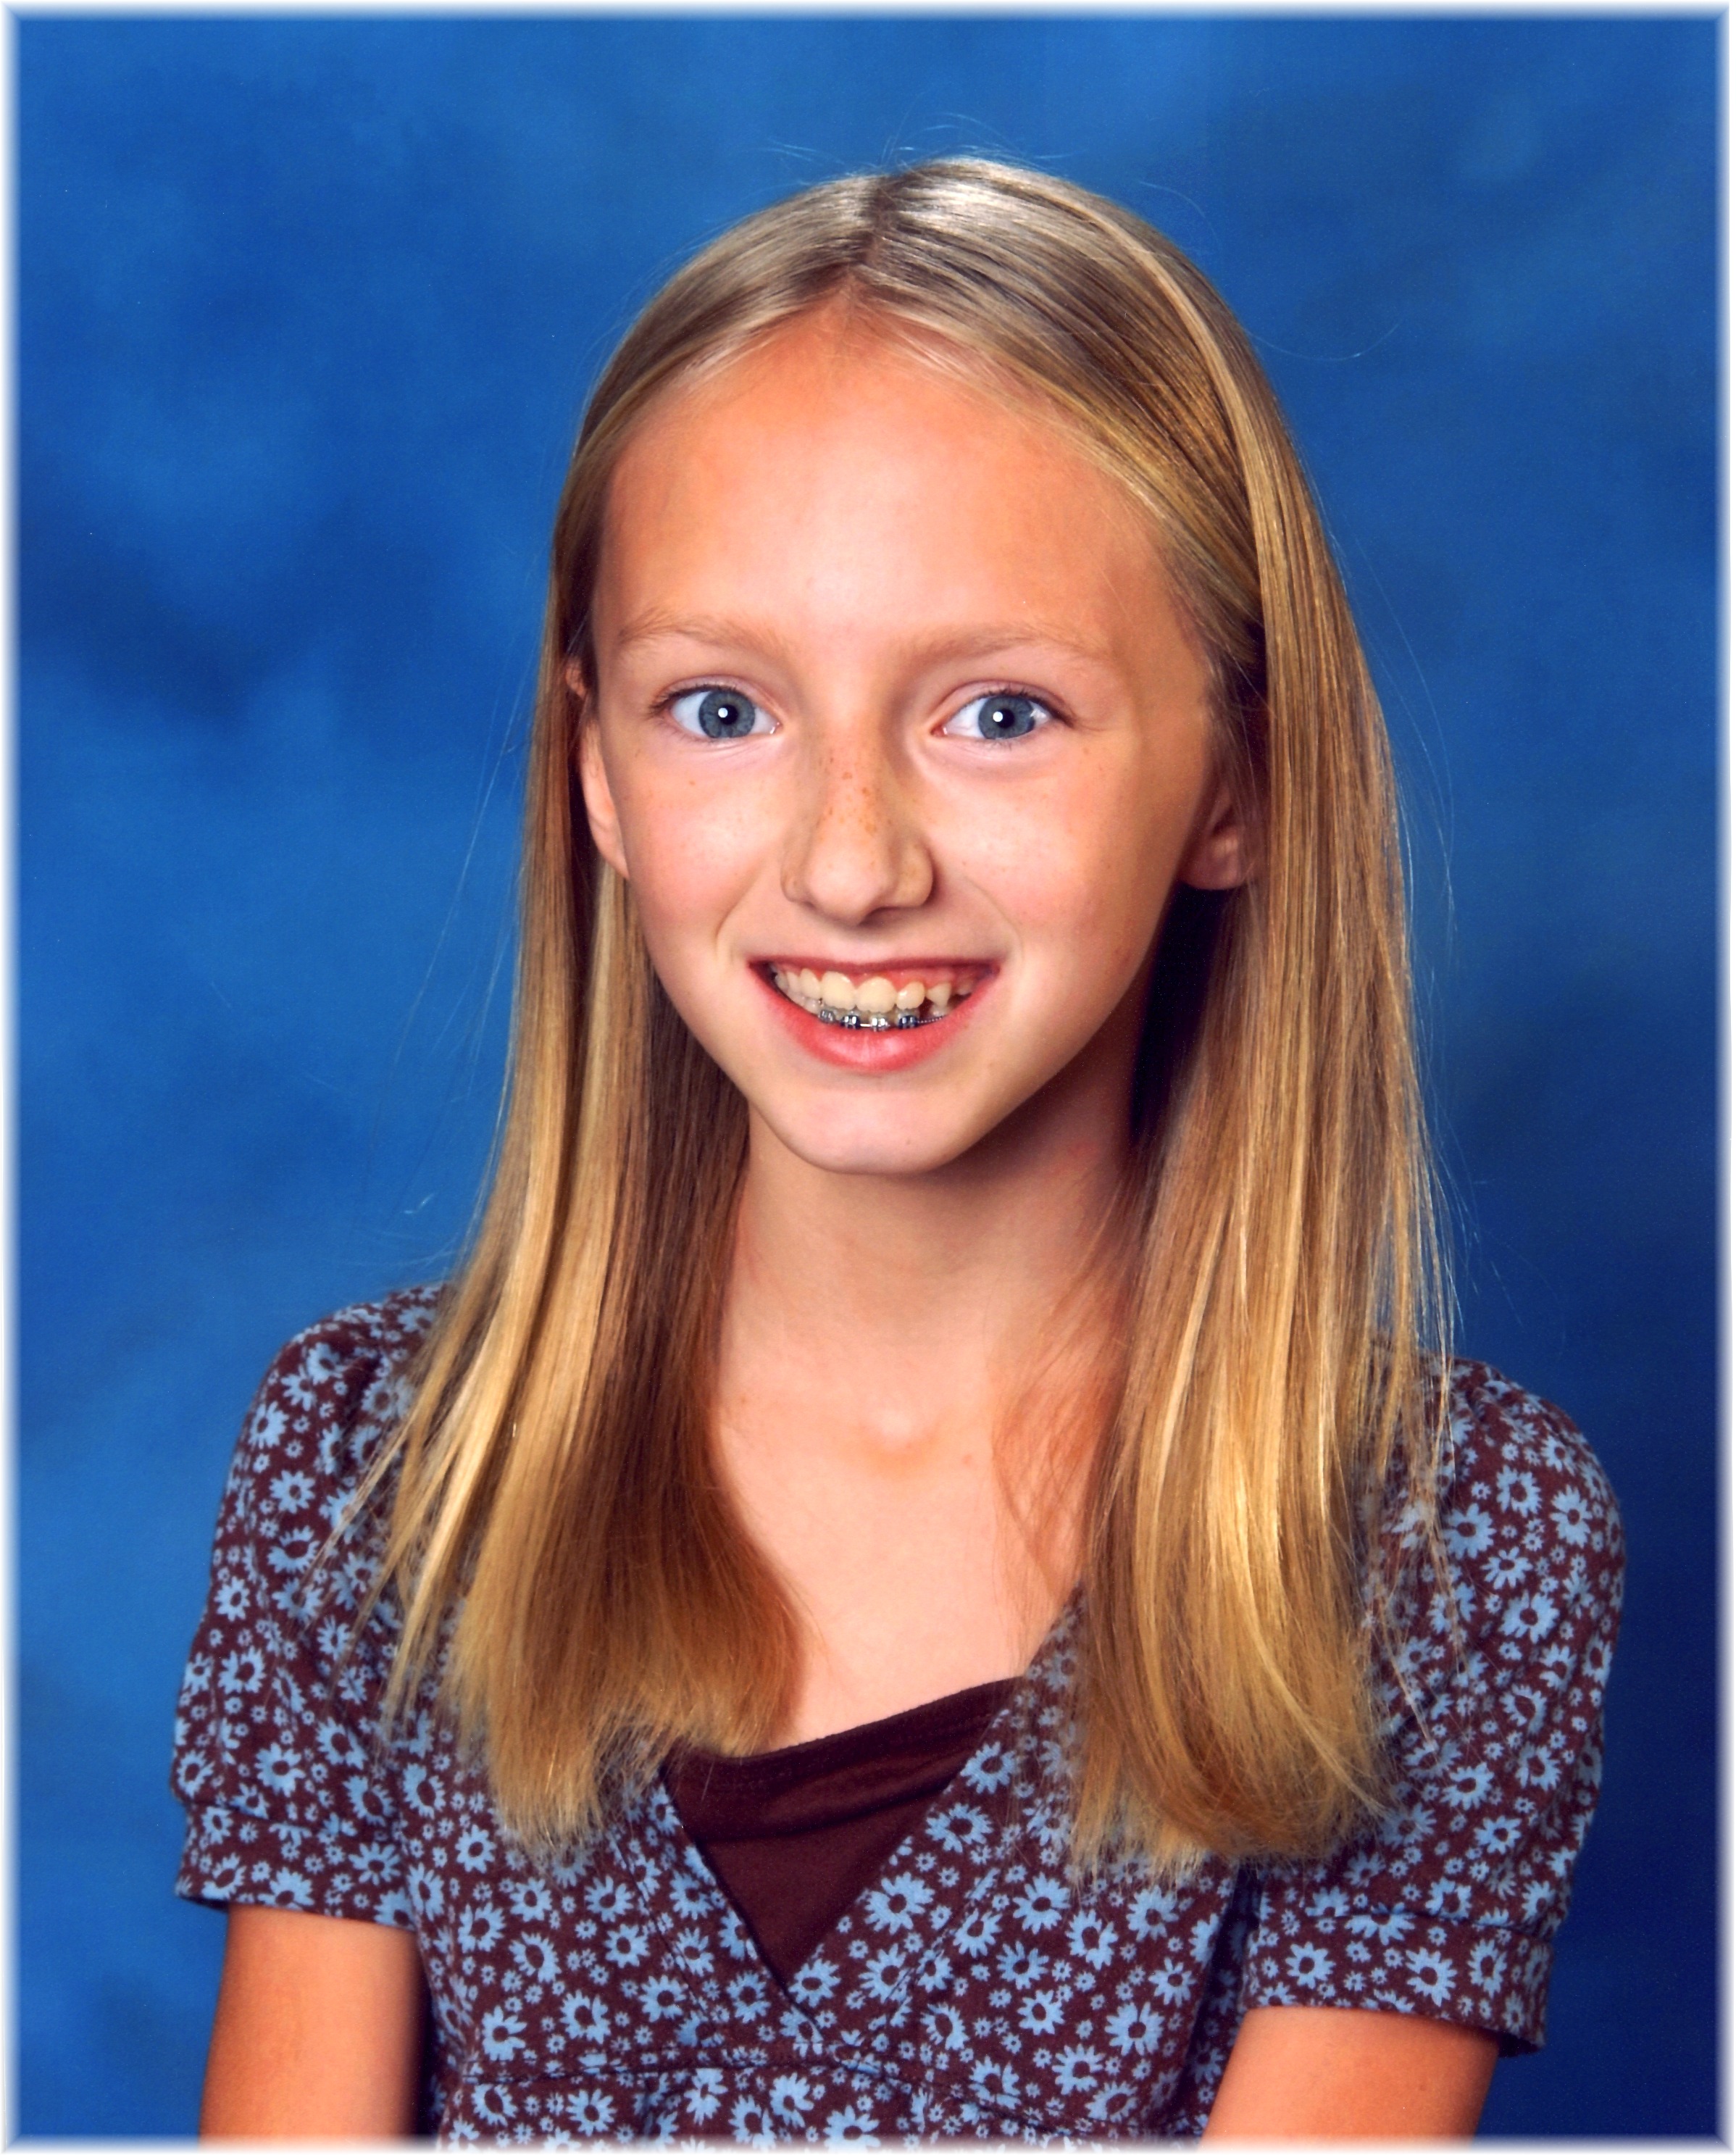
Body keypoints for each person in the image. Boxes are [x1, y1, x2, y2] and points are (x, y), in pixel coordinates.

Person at [171, 158, 1622, 2141]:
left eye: (1000, 714)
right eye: (721, 708)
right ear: (596, 772)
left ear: (1236, 780)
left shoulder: (1438, 1547)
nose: (853, 864)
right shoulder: (380, 1472)